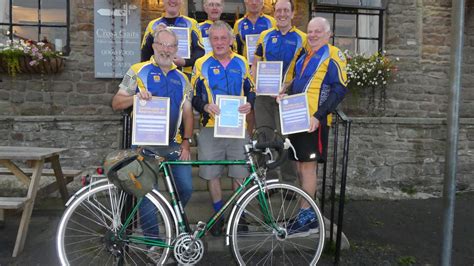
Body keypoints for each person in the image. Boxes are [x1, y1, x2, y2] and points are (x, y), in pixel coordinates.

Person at [112, 27, 194, 239]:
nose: (166, 50)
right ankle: (153, 244)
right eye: (162, 44)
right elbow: (116, 103)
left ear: (176, 49)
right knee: (146, 195)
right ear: (154, 46)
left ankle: (168, 219)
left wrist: (186, 141)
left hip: (174, 146)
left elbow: (188, 114)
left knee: (185, 188)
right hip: (143, 146)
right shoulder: (137, 71)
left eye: (171, 46)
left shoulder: (184, 79)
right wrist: (136, 98)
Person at [282, 17, 348, 234]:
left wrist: (319, 116)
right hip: (297, 120)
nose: (313, 35)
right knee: (300, 168)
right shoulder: (304, 57)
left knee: (308, 169)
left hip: (313, 123)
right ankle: (306, 214)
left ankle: (308, 221)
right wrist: (284, 95)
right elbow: (299, 86)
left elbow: (339, 89)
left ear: (328, 34)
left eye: (318, 31)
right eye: (310, 31)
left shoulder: (333, 54)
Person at [192, 21, 256, 236]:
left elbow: (251, 90)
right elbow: (192, 97)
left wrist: (250, 103)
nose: (219, 42)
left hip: (238, 127)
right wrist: (204, 106)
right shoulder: (201, 63)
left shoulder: (242, 62)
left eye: (222, 38)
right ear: (210, 41)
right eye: (214, 38)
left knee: (240, 172)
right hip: (211, 127)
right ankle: (219, 215)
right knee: (212, 174)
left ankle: (240, 216)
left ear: (230, 40)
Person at [250, 0, 305, 183]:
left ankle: (289, 182)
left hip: (287, 97)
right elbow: (255, 64)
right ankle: (268, 180)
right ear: (274, 13)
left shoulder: (302, 39)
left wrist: (286, 86)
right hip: (264, 96)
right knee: (264, 136)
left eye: (285, 10)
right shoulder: (264, 36)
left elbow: (304, 71)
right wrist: (256, 82)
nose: (282, 14)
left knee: (285, 139)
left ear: (292, 13)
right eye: (278, 10)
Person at [141, 0, 205, 76]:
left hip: (185, 75)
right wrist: (153, 36)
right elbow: (143, 56)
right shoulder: (153, 25)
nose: (173, 1)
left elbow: (200, 52)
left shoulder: (191, 23)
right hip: (158, 75)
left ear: (181, 1)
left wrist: (185, 62)